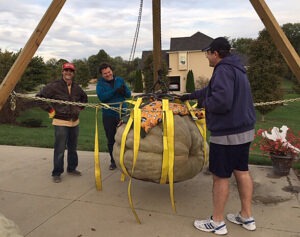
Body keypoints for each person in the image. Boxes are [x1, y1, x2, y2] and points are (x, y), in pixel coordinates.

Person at [180, 37, 256, 235]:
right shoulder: (236, 68)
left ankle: (217, 222)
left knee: (220, 178)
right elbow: (211, 90)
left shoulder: (222, 69)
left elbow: (221, 101)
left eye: (208, 53)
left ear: (216, 53)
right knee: (242, 171)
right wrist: (189, 96)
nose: (206, 56)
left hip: (227, 133)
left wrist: (200, 106)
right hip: (244, 130)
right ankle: (247, 216)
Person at [37, 62, 88, 183]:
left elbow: (84, 99)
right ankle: (57, 173)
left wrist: (78, 109)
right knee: (60, 149)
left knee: (72, 148)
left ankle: (71, 168)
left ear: (73, 73)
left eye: (71, 71)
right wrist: (50, 109)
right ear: (62, 72)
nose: (68, 73)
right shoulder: (54, 86)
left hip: (74, 122)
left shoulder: (77, 87)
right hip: (60, 122)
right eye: (66, 70)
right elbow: (39, 98)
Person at [96, 63, 131, 170]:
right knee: (111, 139)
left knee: (125, 138)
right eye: (105, 73)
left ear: (112, 71)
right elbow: (102, 97)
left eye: (109, 72)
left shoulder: (120, 80)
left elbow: (128, 95)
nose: (108, 74)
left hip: (123, 114)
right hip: (109, 115)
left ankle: (125, 160)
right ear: (102, 75)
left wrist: (124, 90)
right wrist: (115, 91)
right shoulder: (100, 84)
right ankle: (113, 161)